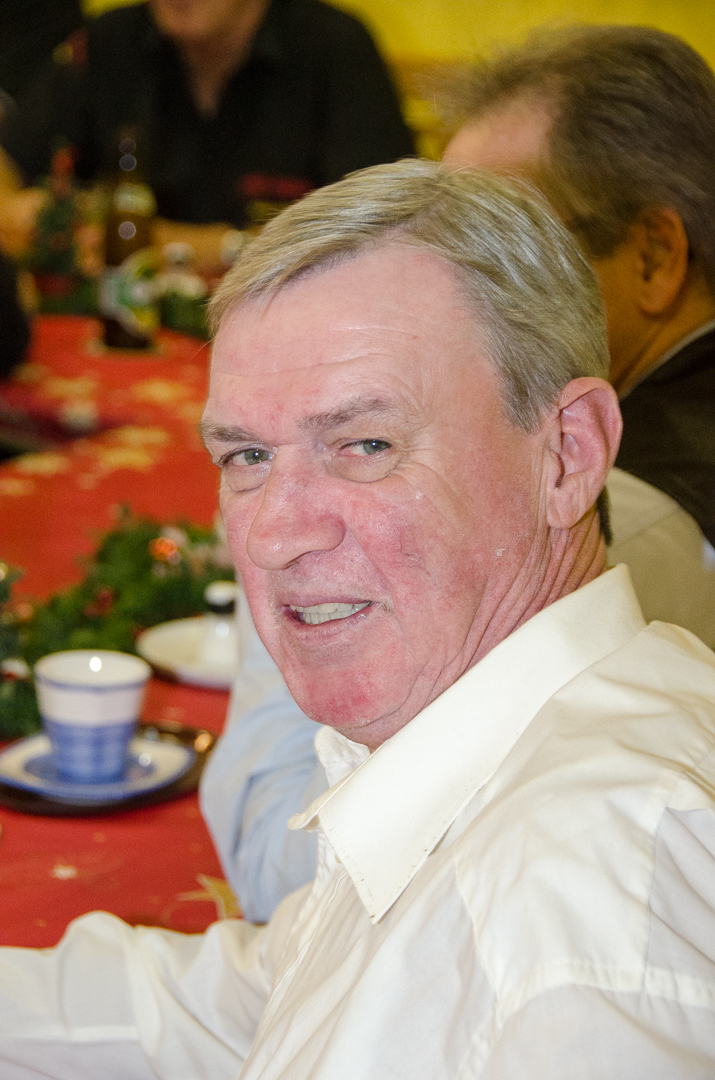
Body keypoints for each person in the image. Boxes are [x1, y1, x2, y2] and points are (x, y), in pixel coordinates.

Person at [2, 160, 715, 1077]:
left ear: (569, 455)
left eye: (365, 444)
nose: (273, 537)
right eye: (246, 456)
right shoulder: (491, 748)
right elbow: (267, 999)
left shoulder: (579, 933)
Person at [202, 25, 715, 923]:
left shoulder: (624, 515)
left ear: (654, 256)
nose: (442, 260)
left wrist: (287, 529)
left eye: (513, 230)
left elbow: (285, 875)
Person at [0, 0, 414, 269]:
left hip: (287, 331)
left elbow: (390, 234)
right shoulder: (111, 39)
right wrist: (18, 213)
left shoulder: (335, 47)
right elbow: (11, 155)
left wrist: (206, 247)